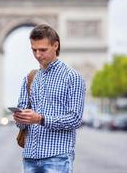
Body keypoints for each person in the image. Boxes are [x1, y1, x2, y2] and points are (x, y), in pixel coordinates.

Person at [13, 24, 86, 173]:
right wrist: (21, 118)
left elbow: (75, 119)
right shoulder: (29, 78)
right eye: (34, 50)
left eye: (43, 50)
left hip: (57, 157)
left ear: (55, 45)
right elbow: (21, 125)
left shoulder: (72, 77)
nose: (38, 55)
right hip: (30, 156)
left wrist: (40, 119)